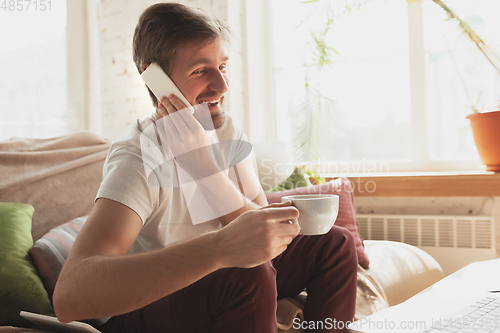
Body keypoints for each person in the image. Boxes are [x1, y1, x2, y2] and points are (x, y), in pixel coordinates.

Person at [53, 2, 358, 332]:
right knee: (246, 274)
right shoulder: (140, 158)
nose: (222, 86)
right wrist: (220, 249)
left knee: (334, 245)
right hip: (148, 307)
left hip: (215, 288)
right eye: (200, 71)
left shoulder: (226, 131)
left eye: (222, 66)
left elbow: (261, 238)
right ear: (155, 79)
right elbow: (71, 296)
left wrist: (204, 171)